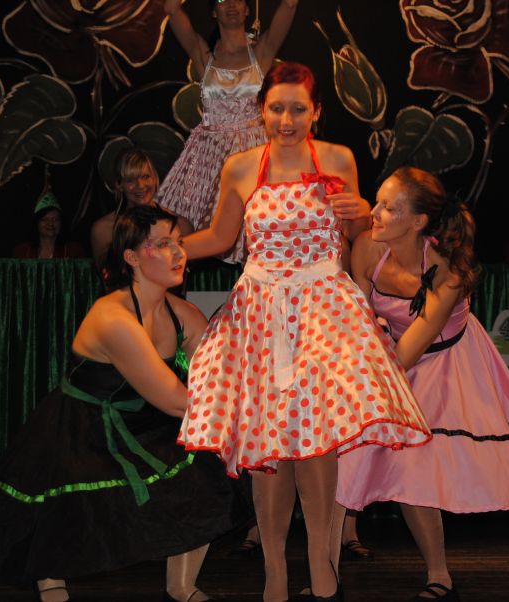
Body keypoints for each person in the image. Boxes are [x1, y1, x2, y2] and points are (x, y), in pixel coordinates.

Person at [176, 62, 431, 602]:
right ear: (261, 111)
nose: (286, 120)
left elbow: (358, 234)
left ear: (315, 111)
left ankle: (322, 568)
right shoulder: (241, 167)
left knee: (317, 442)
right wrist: (165, 249)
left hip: (323, 310)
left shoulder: (337, 159)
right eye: (276, 108)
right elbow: (220, 238)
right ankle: (274, 575)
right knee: (269, 446)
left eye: (297, 109)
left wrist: (362, 213)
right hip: (260, 311)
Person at [0, 205, 244, 602]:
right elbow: (177, 402)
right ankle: (49, 574)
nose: (178, 253)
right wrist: (242, 411)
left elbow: (219, 376)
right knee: (71, 503)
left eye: (179, 243)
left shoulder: (183, 314)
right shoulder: (113, 318)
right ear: (131, 257)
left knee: (209, 465)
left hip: (143, 423)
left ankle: (181, 586)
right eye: (164, 244)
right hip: (81, 427)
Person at [336, 167, 509, 601]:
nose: (374, 212)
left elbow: (408, 353)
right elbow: (357, 319)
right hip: (386, 354)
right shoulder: (367, 248)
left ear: (418, 222)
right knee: (346, 449)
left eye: (388, 207)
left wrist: (366, 375)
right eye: (377, 201)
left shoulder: (447, 273)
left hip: (443, 363)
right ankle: (326, 575)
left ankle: (440, 575)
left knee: (412, 466)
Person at [159, 0, 298, 237]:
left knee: (257, 227)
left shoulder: (261, 52)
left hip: (254, 154)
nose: (231, 4)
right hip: (210, 158)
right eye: (222, 0)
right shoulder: (203, 55)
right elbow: (171, 9)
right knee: (202, 229)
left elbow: (290, 4)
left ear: (247, 9)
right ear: (214, 12)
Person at [90, 148, 193, 268]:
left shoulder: (180, 225)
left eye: (145, 177)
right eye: (131, 180)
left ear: (155, 178)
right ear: (119, 185)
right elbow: (105, 274)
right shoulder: (104, 230)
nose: (140, 185)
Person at [13, 189, 85, 259]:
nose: (50, 223)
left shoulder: (73, 251)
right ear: (36, 223)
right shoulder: (22, 251)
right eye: (45, 219)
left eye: (55, 219)